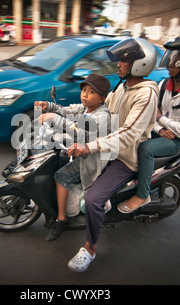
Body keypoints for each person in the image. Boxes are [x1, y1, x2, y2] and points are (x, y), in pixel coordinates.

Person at [65, 38, 159, 272]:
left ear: (140, 64)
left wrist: (89, 147)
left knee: (94, 200)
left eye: (124, 60)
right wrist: (67, 116)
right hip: (107, 149)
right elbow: (101, 110)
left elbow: (128, 134)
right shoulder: (121, 87)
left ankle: (90, 248)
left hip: (124, 157)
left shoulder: (145, 94)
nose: (118, 64)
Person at [118, 37, 180, 214]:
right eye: (170, 57)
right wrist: (161, 128)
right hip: (162, 131)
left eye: (176, 60)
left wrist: (162, 120)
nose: (170, 63)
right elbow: (151, 115)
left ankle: (142, 194)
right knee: (128, 138)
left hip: (179, 140)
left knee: (146, 149)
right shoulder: (164, 84)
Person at [34, 73, 111, 241]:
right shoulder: (86, 108)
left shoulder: (102, 116)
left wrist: (53, 118)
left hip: (92, 159)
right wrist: (48, 105)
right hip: (78, 149)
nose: (84, 94)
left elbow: (78, 130)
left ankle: (61, 219)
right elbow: (66, 111)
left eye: (91, 92)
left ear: (102, 98)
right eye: (84, 90)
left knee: (60, 176)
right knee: (58, 156)